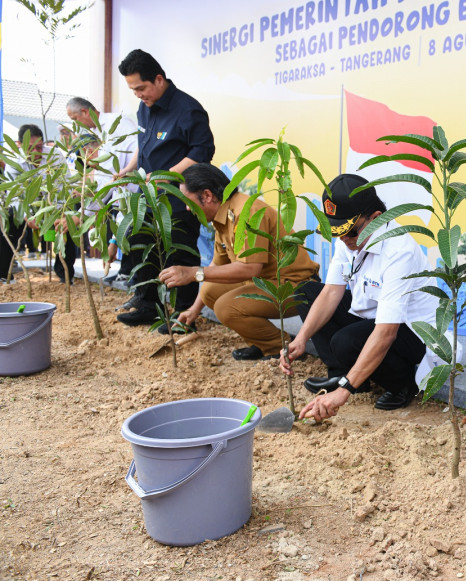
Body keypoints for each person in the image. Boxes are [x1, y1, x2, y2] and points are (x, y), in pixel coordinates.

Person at [279, 174, 438, 417]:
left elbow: (386, 332)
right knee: (306, 293)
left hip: (412, 330)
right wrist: (301, 338)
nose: (344, 239)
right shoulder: (349, 241)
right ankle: (344, 375)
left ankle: (402, 385)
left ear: (375, 218)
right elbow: (331, 292)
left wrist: (343, 393)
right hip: (372, 317)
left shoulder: (399, 251)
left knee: (346, 341)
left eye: (351, 232)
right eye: (337, 232)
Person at [158, 163, 320, 359]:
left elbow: (250, 268)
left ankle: (282, 349)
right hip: (264, 282)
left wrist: (192, 273)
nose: (186, 208)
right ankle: (259, 342)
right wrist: (194, 310)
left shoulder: (246, 212)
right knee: (209, 290)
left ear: (207, 196)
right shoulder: (222, 216)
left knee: (226, 307)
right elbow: (217, 265)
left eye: (188, 201)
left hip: (296, 286)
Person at [115, 48, 215, 326]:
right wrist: (129, 168)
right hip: (148, 192)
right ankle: (148, 303)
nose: (138, 94)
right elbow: (144, 143)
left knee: (180, 248)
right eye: (133, 90)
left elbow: (202, 151)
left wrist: (167, 175)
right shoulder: (144, 108)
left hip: (178, 193)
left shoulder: (188, 110)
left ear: (159, 79)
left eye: (141, 88)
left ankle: (183, 315)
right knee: (139, 239)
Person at [65, 96, 139, 282]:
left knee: (138, 242)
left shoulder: (117, 125)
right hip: (126, 198)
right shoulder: (99, 132)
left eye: (75, 119)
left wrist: (81, 214)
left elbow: (108, 179)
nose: (76, 125)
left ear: (85, 111)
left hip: (139, 194)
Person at [1, 124, 77, 284]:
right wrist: (27, 215)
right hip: (25, 204)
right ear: (20, 145)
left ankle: (65, 274)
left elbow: (65, 185)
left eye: (40, 147)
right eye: (31, 148)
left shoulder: (55, 155)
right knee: (8, 220)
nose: (36, 152)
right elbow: (14, 194)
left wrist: (59, 212)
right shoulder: (14, 161)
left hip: (53, 203)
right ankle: (4, 273)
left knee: (69, 221)